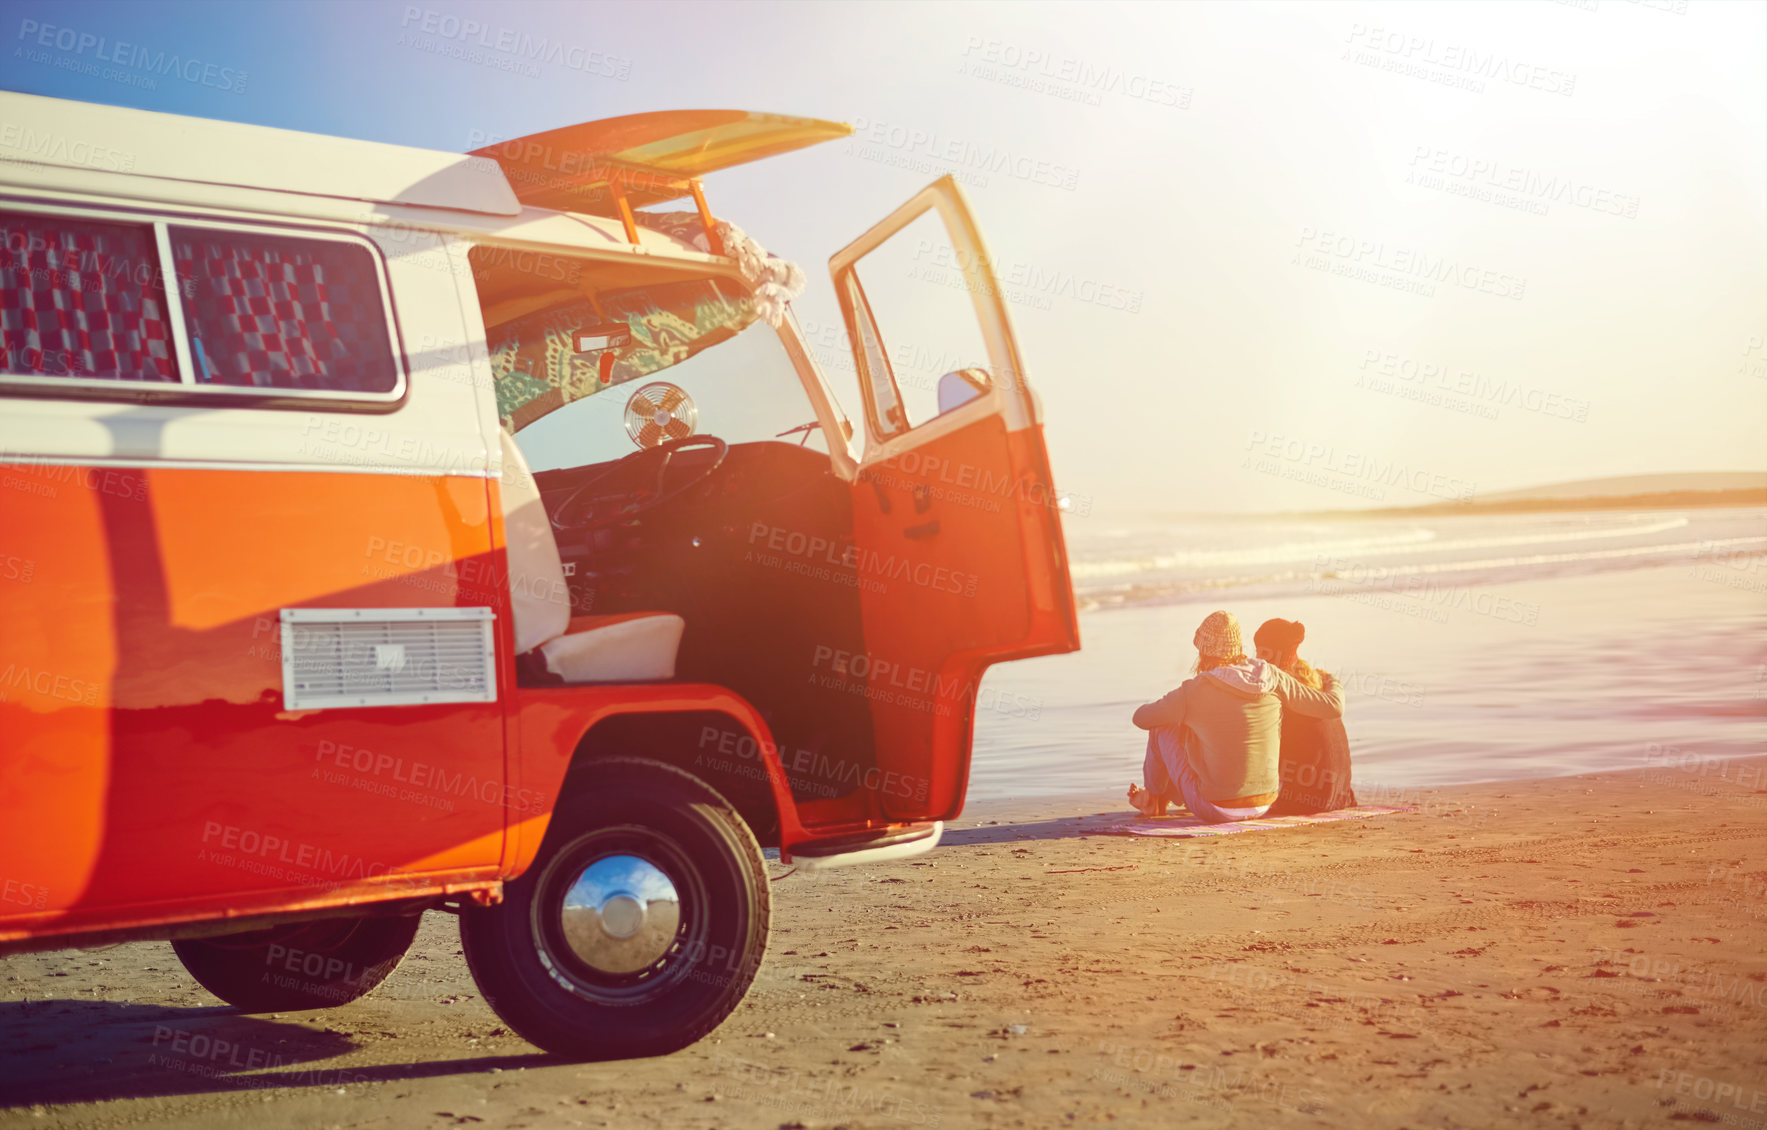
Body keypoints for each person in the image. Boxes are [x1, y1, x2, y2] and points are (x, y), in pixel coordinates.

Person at [1127, 610, 1344, 823]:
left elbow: (1142, 718)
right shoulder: (1272, 676)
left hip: (1216, 808)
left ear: (1203, 651)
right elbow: (1333, 707)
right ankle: (1158, 796)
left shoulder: (1194, 690)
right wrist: (1331, 680)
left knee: (1162, 727)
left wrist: (1180, 710)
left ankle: (1153, 798)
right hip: (1266, 802)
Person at [1254, 618, 1357, 815]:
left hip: (1307, 802)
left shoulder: (1281, 693)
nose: (1257, 658)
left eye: (1259, 651)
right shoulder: (1318, 682)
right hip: (1342, 796)